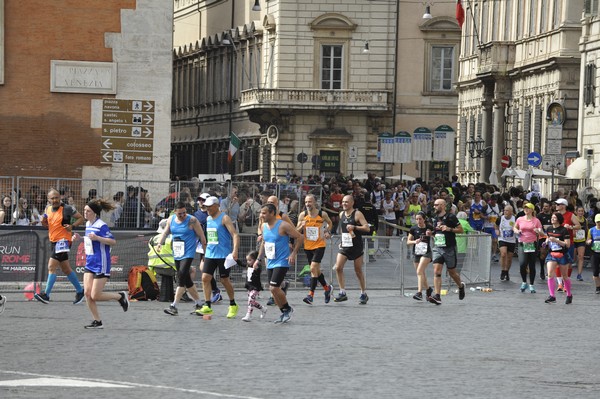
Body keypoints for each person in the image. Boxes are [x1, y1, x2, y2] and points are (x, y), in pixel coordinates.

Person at [81, 199, 129, 329]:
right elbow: (89, 241)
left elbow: (112, 242)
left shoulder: (101, 225)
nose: (85, 213)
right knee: (87, 293)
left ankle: (120, 296)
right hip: (89, 262)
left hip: (101, 262)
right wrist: (77, 238)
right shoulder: (87, 224)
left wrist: (98, 238)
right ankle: (97, 321)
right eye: (84, 210)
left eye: (88, 211)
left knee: (95, 295)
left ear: (95, 213)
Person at [34, 188, 86, 305]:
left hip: (63, 241)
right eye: (52, 198)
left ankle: (46, 294)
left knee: (51, 266)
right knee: (66, 269)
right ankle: (80, 291)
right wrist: (43, 221)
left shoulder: (67, 208)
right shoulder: (47, 209)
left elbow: (81, 218)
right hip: (53, 241)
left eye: (56, 197)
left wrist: (72, 226)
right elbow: (47, 225)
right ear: (48, 200)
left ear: (60, 197)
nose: (55, 200)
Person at [255, 203, 303, 323]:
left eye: (264, 213)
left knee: (273, 287)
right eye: (261, 213)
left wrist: (293, 253)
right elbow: (264, 243)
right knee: (272, 290)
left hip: (282, 261)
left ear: (272, 213)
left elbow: (300, 237)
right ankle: (284, 311)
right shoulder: (264, 226)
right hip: (270, 261)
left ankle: (287, 309)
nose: (261, 215)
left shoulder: (283, 225)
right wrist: (258, 259)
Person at [158, 201, 207, 316]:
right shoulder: (171, 219)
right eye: (180, 214)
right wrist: (160, 243)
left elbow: (202, 237)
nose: (183, 215)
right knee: (187, 280)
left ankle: (174, 306)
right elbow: (165, 232)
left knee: (181, 277)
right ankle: (199, 304)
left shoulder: (192, 220)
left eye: (184, 213)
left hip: (188, 253)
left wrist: (205, 254)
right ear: (175, 212)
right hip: (177, 252)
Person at [196, 196, 240, 318]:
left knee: (224, 280)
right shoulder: (208, 219)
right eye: (206, 207)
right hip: (210, 253)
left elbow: (235, 235)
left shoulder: (224, 218)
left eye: (210, 207)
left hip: (223, 255)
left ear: (217, 206)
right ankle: (207, 305)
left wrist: (235, 251)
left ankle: (233, 304)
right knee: (205, 278)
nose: (208, 209)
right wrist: (205, 253)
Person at [426, 198, 466, 305]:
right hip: (437, 247)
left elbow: (460, 230)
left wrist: (449, 229)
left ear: (443, 206)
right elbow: (435, 232)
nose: (434, 207)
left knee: (452, 272)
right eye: (434, 205)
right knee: (437, 271)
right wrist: (431, 233)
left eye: (436, 205)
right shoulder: (434, 218)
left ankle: (461, 286)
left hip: (449, 248)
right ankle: (437, 296)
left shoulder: (451, 217)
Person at [296, 194, 334, 305]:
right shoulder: (302, 215)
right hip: (308, 246)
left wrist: (327, 231)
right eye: (306, 202)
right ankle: (327, 289)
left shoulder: (322, 214)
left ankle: (310, 295)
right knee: (315, 270)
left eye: (310, 202)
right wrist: (301, 226)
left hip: (319, 245)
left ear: (314, 202)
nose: (308, 204)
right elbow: (296, 230)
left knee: (313, 267)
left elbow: (330, 223)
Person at [333, 195, 371, 304]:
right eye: (343, 202)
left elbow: (367, 228)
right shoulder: (341, 214)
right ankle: (342, 292)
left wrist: (355, 227)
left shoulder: (357, 214)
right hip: (345, 245)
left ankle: (363, 293)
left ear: (352, 203)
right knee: (338, 267)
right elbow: (343, 229)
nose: (344, 204)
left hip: (356, 246)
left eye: (346, 202)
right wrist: (341, 240)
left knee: (358, 270)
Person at [513, 203, 543, 293]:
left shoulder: (536, 220)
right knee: (522, 264)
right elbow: (515, 227)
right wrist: (517, 231)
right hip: (522, 243)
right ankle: (524, 282)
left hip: (532, 244)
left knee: (531, 265)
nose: (526, 209)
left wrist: (538, 231)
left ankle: (531, 285)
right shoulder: (520, 219)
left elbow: (540, 231)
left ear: (532, 210)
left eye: (528, 208)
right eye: (525, 208)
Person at [544, 212, 572, 304]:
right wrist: (546, 242)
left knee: (565, 276)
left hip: (562, 255)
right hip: (552, 254)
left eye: (554, 218)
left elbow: (567, 245)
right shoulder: (549, 229)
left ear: (559, 219)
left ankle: (569, 294)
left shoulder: (563, 230)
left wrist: (556, 240)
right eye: (552, 217)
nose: (552, 219)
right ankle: (552, 295)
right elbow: (547, 239)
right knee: (550, 274)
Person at [406, 211, 433, 301]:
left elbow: (436, 236)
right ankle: (428, 289)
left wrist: (431, 234)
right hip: (417, 252)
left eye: (420, 219)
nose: (418, 221)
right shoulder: (413, 229)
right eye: (417, 219)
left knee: (419, 271)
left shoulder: (429, 227)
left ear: (424, 219)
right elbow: (408, 241)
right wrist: (415, 241)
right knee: (421, 273)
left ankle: (419, 292)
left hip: (426, 252)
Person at [241, 250, 267, 322]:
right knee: (252, 302)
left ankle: (248, 315)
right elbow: (241, 264)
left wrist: (256, 268)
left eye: (249, 260)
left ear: (255, 260)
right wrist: (235, 259)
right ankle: (263, 309)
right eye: (247, 260)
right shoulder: (248, 265)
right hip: (250, 287)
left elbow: (257, 272)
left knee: (251, 300)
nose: (248, 262)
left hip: (255, 287)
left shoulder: (257, 267)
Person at [497, 205, 516, 281]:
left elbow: (518, 227)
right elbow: (496, 225)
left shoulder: (515, 219)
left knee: (509, 258)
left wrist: (515, 229)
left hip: (511, 240)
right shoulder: (500, 218)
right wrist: (497, 230)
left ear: (511, 212)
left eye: (507, 210)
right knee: (503, 254)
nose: (505, 212)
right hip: (502, 238)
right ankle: (502, 270)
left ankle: (507, 271)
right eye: (504, 210)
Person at [585, 214, 600, 294]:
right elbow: (587, 240)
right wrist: (589, 242)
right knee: (595, 271)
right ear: (595, 222)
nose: (599, 223)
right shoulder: (591, 230)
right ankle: (598, 287)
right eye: (598, 222)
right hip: (594, 253)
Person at [573, 206, 588, 281]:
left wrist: (587, 238)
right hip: (573, 240)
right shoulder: (573, 219)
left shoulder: (585, 220)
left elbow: (587, 229)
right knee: (573, 257)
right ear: (576, 212)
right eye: (579, 211)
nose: (581, 212)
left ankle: (579, 274)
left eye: (582, 211)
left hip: (581, 240)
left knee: (581, 256)